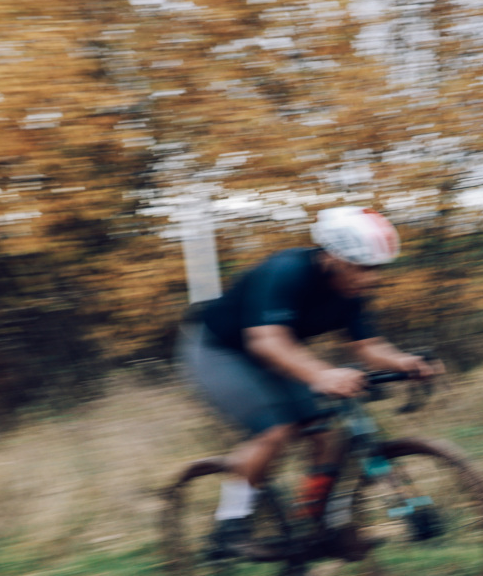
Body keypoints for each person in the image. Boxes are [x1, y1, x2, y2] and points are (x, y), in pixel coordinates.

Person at [178, 207, 440, 557]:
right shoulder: (286, 271)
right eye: (362, 267)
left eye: (376, 268)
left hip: (276, 353)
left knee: (325, 433)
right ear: (332, 256)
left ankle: (314, 524)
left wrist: (404, 361)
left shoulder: (352, 290)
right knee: (275, 432)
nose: (370, 278)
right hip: (218, 352)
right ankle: (229, 527)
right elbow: (266, 342)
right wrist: (321, 374)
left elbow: (368, 346)